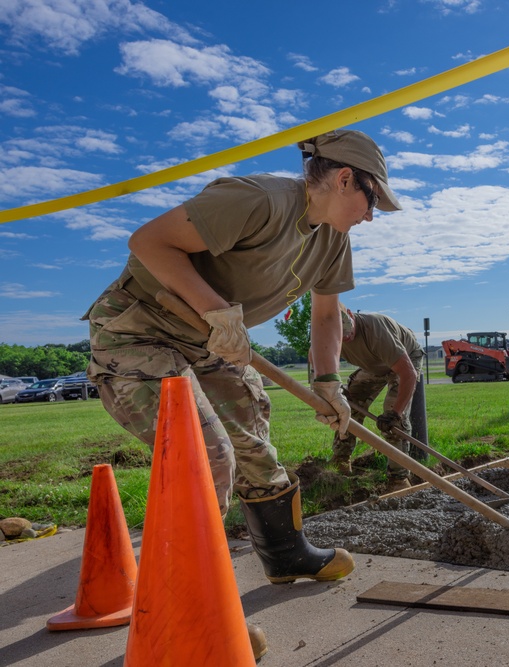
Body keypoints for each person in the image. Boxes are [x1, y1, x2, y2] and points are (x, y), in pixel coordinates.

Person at [84, 129, 402, 585]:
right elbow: (148, 241)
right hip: (141, 330)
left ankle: (286, 554)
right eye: (372, 202)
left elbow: (327, 315)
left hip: (209, 340)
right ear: (346, 179)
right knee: (207, 455)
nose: (372, 217)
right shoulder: (260, 199)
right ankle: (192, 604)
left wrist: (329, 382)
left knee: (253, 437)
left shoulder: (334, 240)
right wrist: (219, 314)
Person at [331, 304, 424, 492]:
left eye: (347, 331)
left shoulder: (376, 331)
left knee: (394, 419)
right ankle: (340, 464)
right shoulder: (327, 336)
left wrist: (395, 413)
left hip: (406, 361)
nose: (345, 338)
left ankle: (398, 480)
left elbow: (409, 375)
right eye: (340, 336)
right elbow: (316, 361)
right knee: (347, 406)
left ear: (350, 315)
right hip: (375, 365)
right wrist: (328, 388)